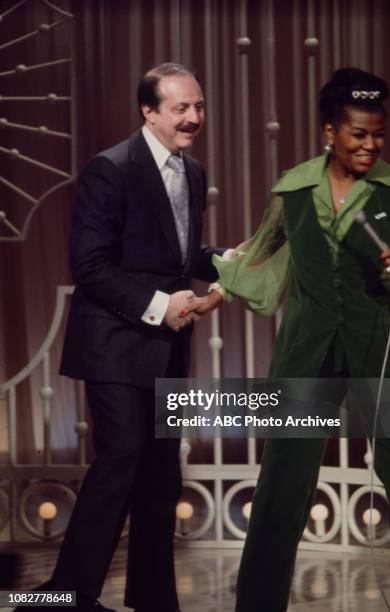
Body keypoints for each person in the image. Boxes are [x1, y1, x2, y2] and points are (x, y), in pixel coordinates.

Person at [183, 68, 390, 611]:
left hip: (385, 353)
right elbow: (261, 252)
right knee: (282, 483)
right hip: (307, 353)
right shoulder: (294, 188)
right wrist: (217, 292)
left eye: (378, 133)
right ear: (330, 131)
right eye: (358, 133)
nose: (370, 145)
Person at [37, 63, 222, 612]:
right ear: (148, 110)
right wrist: (159, 305)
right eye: (180, 108)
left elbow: (179, 258)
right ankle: (65, 599)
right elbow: (89, 266)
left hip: (165, 348)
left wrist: (226, 265)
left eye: (199, 106)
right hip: (114, 344)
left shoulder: (192, 172)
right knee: (122, 459)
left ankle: (153, 597)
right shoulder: (109, 169)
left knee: (162, 473)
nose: (194, 118)